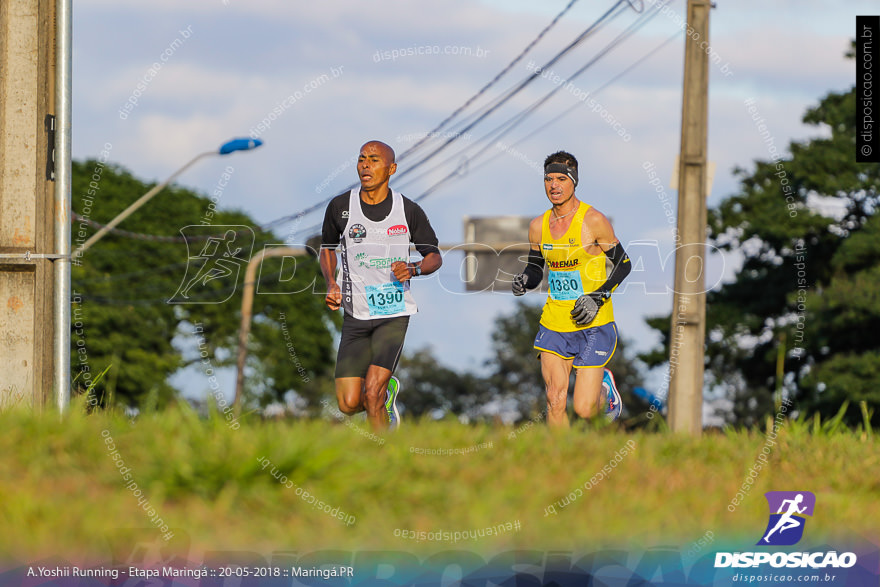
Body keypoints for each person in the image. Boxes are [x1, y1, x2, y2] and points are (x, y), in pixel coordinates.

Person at [320, 140, 442, 430]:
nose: (365, 165)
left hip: (393, 313)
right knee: (348, 404)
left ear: (391, 169)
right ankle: (386, 398)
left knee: (371, 392)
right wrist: (330, 283)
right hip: (356, 315)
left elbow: (434, 256)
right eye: (362, 159)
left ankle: (383, 454)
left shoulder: (408, 210)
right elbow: (327, 249)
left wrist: (413, 268)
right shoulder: (340, 207)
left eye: (374, 160)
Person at [512, 151, 631, 427]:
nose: (554, 185)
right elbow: (535, 269)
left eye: (561, 179)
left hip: (593, 322)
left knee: (585, 410)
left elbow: (623, 264)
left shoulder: (594, 221)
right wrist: (524, 281)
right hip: (555, 321)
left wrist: (597, 297)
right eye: (548, 179)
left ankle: (605, 388)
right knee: (554, 398)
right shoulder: (538, 226)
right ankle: (559, 464)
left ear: (574, 181)